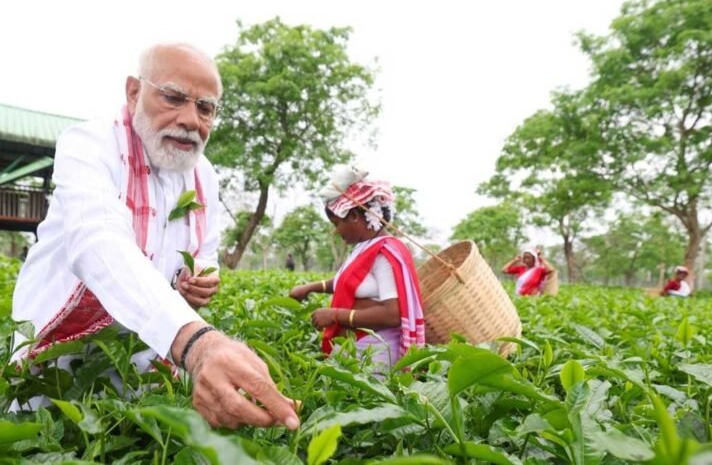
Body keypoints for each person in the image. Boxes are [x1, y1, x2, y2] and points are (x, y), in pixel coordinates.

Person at [11, 43, 300, 430]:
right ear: (134, 92)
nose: (190, 120)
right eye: (174, 97)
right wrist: (198, 343)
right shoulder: (90, 145)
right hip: (59, 361)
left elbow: (206, 250)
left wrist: (203, 277)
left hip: (145, 361)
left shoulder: (204, 175)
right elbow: (98, 240)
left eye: (205, 108)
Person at [289, 167, 425, 369]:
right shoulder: (364, 248)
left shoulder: (384, 253)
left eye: (337, 223)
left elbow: (393, 314)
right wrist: (310, 287)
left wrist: (335, 315)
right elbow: (349, 282)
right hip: (360, 350)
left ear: (353, 215)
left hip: (378, 354)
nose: (336, 231)